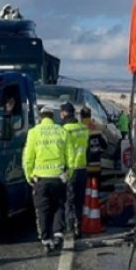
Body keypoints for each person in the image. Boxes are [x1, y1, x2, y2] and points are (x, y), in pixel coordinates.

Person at [23, 105, 68, 254]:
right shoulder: (62, 132)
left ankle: (46, 240)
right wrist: (68, 173)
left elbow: (28, 157)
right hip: (58, 177)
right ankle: (58, 235)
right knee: (58, 206)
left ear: (41, 118)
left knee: (43, 210)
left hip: (40, 179)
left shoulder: (33, 133)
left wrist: (28, 175)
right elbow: (70, 156)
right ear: (52, 117)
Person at [60, 102, 88, 238]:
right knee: (79, 200)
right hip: (82, 168)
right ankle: (79, 227)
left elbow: (63, 151)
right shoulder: (83, 129)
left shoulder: (64, 130)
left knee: (69, 200)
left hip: (70, 170)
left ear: (64, 113)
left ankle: (70, 227)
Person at [81, 106, 107, 190]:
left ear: (81, 116)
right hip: (96, 164)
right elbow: (105, 145)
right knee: (95, 192)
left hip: (83, 166)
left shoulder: (79, 128)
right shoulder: (97, 127)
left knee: (85, 192)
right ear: (90, 115)